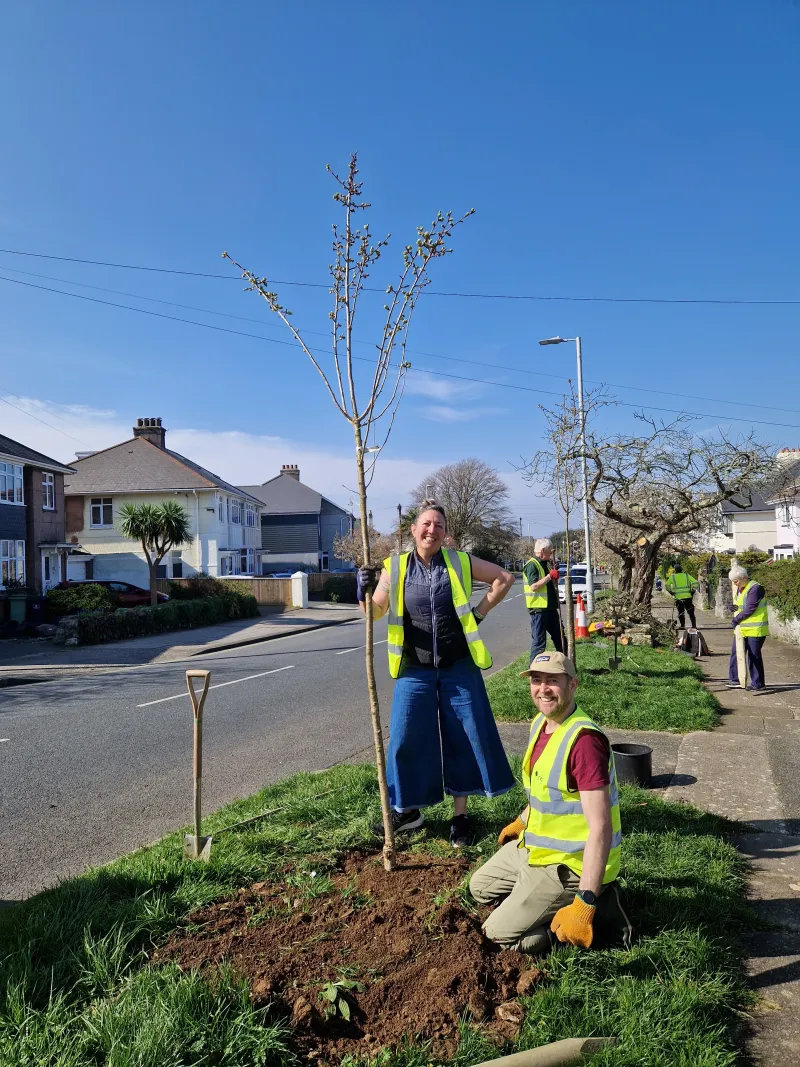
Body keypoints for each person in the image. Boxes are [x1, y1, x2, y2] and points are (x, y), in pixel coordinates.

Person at [358, 501, 516, 847]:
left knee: (464, 735)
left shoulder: (459, 562)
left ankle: (460, 816)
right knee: (404, 738)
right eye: (426, 524)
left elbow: (504, 578)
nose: (432, 530)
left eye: (439, 526)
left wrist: (479, 613)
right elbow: (376, 612)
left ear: (446, 534)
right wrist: (364, 590)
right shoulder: (395, 567)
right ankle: (407, 811)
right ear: (413, 530)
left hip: (459, 665)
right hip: (414, 668)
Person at [469, 650, 621, 953]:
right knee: (479, 887)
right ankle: (533, 904)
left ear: (573, 685)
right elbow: (547, 791)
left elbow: (600, 828)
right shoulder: (541, 723)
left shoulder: (585, 743)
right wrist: (522, 821)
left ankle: (578, 914)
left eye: (553, 681)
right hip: (537, 849)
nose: (543, 689)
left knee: (493, 934)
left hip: (569, 866)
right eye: (536, 680)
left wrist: (585, 901)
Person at [727, 564, 769, 692]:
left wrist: (735, 619)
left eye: (736, 581)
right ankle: (735, 680)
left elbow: (750, 608)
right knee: (736, 653)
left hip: (755, 629)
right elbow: (740, 606)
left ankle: (758, 683)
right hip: (742, 629)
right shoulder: (740, 588)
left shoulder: (755, 588)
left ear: (744, 577)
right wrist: (733, 608)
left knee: (753, 655)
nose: (735, 584)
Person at [523, 538, 565, 661]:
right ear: (542, 550)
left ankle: (565, 664)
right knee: (539, 642)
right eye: (549, 551)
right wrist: (549, 576)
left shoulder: (545, 563)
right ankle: (534, 671)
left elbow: (549, 583)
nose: (551, 553)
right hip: (538, 610)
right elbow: (534, 586)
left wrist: (554, 577)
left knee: (560, 638)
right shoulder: (532, 565)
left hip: (550, 608)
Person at [664, 563, 697, 629]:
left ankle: (682, 626)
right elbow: (695, 582)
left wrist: (671, 592)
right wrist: (693, 591)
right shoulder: (687, 576)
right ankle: (694, 626)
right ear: (682, 570)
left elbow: (667, 585)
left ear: (675, 570)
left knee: (681, 612)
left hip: (678, 598)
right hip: (688, 597)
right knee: (691, 612)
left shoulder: (672, 577)